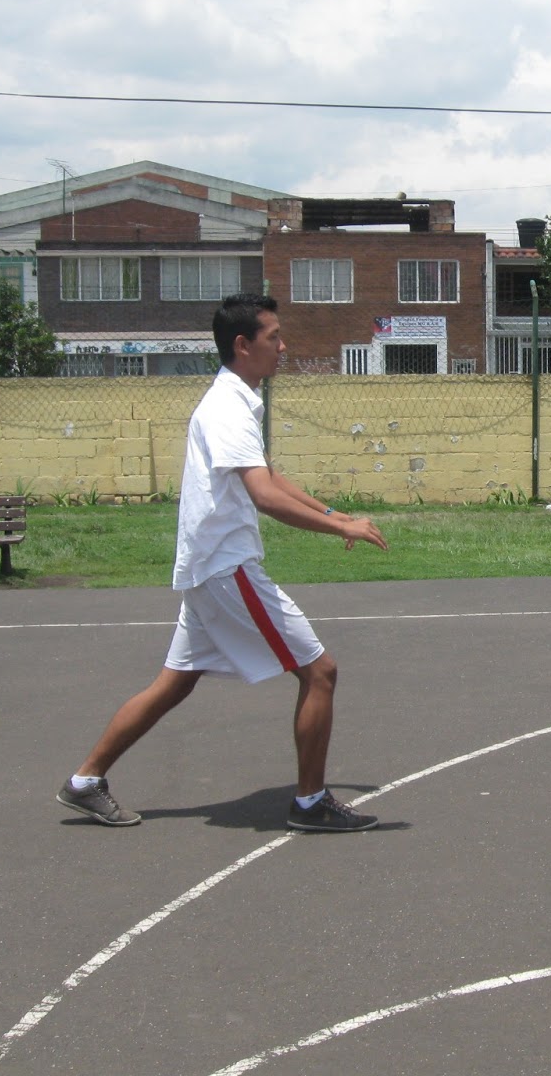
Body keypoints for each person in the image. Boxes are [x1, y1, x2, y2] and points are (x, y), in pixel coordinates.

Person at [56, 293, 389, 831]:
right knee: (320, 672)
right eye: (274, 337)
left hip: (209, 567)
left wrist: (330, 509)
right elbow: (264, 496)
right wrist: (340, 528)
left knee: (175, 682)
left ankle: (85, 782)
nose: (284, 346)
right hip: (226, 569)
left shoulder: (233, 402)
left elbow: (269, 475)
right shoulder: (227, 406)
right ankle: (310, 803)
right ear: (243, 345)